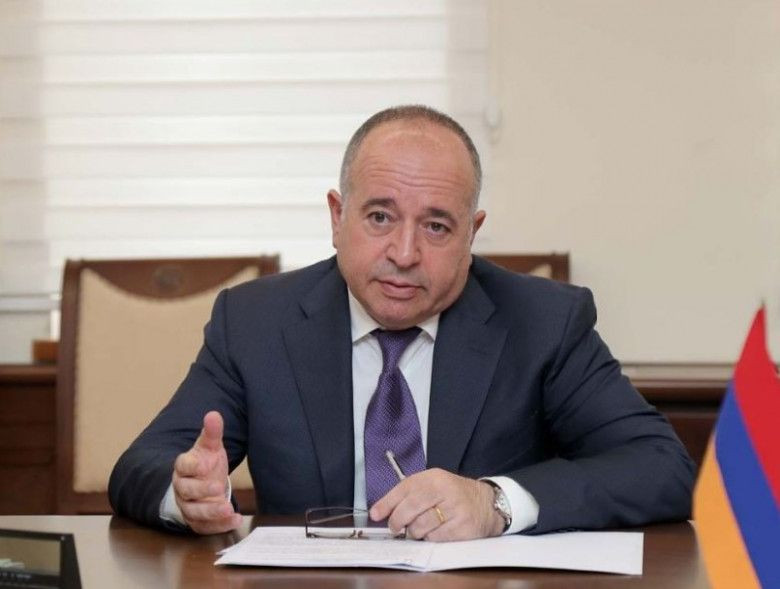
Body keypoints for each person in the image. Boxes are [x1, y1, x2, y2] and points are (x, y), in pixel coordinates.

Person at [109, 105, 695, 540]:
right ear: (337, 216)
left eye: (436, 226)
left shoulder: (543, 323)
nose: (405, 253)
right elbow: (142, 464)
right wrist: (184, 493)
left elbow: (661, 468)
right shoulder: (257, 322)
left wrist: (496, 503)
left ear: (471, 234)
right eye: (380, 217)